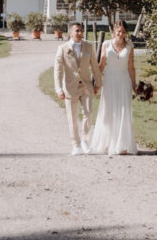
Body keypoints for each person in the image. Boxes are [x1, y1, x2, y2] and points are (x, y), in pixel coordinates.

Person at [90, 19, 138, 155]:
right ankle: (107, 143)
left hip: (124, 81)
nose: (121, 34)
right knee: (108, 110)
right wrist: (97, 83)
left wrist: (134, 85)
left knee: (123, 111)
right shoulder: (106, 44)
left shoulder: (130, 47)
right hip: (109, 80)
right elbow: (101, 65)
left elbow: (131, 67)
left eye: (123, 32)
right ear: (114, 31)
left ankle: (122, 145)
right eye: (119, 31)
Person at [54, 22, 102, 155]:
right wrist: (58, 88)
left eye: (81, 31)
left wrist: (98, 83)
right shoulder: (63, 48)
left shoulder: (88, 47)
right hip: (70, 88)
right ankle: (75, 144)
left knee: (88, 114)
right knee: (72, 117)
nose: (80, 33)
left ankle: (85, 141)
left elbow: (95, 66)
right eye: (77, 31)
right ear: (70, 33)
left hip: (86, 86)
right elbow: (58, 70)